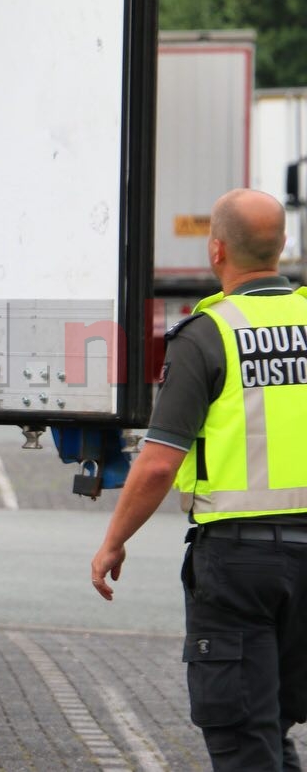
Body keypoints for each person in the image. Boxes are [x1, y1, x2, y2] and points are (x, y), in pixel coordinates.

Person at [90, 189, 307, 770]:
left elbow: (160, 461)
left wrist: (114, 540)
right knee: (276, 725)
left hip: (240, 562)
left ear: (216, 251)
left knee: (243, 737)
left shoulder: (208, 334)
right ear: (283, 246)